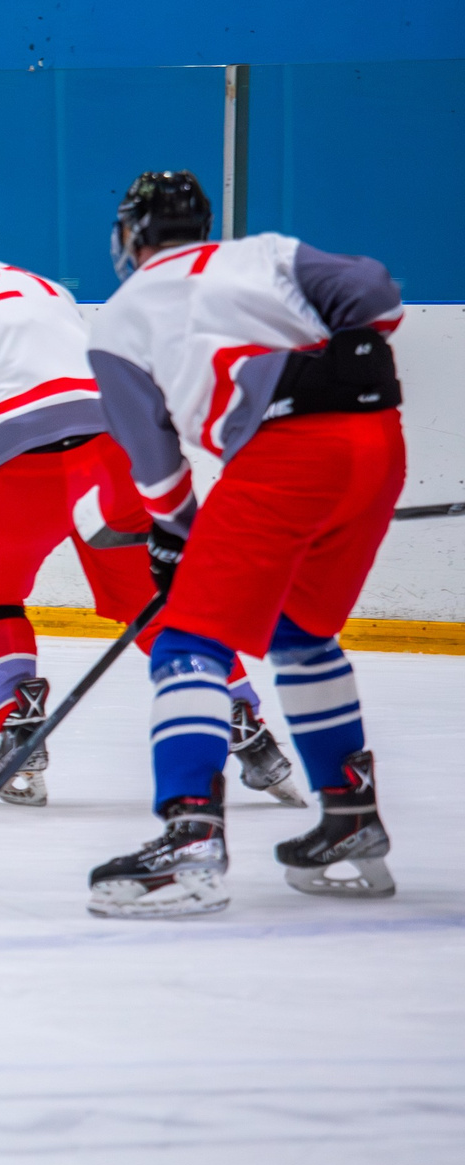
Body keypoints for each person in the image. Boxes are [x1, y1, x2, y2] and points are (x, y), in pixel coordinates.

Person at [0, 191, 299, 806]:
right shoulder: (45, 289)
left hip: (10, 474)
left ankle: (21, 728)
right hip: (112, 452)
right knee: (152, 597)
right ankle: (242, 721)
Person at [82, 171, 405, 918]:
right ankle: (350, 816)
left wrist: (177, 535)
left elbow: (155, 463)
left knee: (186, 644)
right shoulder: (262, 253)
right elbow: (377, 293)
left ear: (132, 236)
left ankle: (190, 834)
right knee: (301, 631)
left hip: (289, 452)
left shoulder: (121, 314)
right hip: (378, 440)